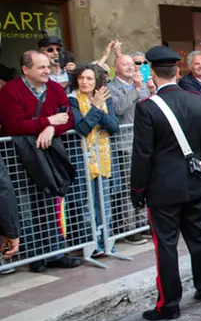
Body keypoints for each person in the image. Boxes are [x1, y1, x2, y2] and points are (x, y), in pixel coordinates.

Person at [130, 46, 201, 321]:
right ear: (177, 71)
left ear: (153, 74)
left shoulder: (147, 107)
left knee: (166, 246)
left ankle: (169, 304)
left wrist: (137, 190)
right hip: (195, 182)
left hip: (163, 189)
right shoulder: (198, 101)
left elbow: (143, 154)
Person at [0, 51, 79, 272]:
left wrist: (52, 128)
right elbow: (14, 125)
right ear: (26, 69)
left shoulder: (54, 89)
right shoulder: (10, 91)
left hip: (47, 154)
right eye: (41, 67)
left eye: (48, 66)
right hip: (19, 156)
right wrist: (48, 121)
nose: (47, 70)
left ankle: (55, 251)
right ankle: (35, 255)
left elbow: (68, 118)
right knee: (25, 204)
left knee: (49, 200)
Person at [69, 64, 120, 256]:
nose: (84, 82)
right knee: (87, 204)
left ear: (96, 81)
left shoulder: (105, 98)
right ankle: (92, 244)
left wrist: (98, 106)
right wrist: (96, 108)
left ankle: (106, 241)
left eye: (89, 79)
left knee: (104, 203)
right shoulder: (72, 100)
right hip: (83, 159)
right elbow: (82, 128)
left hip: (104, 158)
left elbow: (114, 127)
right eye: (81, 78)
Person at [107, 54, 151, 245]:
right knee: (128, 186)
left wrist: (149, 90)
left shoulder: (140, 84)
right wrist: (136, 88)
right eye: (125, 64)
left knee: (144, 184)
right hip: (124, 144)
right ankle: (129, 227)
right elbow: (118, 109)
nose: (131, 67)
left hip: (143, 142)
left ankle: (143, 222)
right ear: (115, 68)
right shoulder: (111, 87)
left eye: (132, 64)